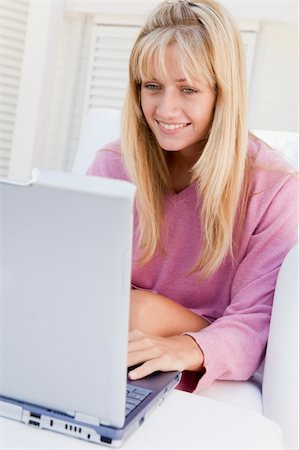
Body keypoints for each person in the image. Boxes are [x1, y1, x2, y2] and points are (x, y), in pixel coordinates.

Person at [87, 0, 298, 392]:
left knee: (141, 311)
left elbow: (255, 319)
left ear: (223, 93)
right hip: (111, 346)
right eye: (152, 86)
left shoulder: (273, 187)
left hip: (194, 353)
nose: (166, 109)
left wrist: (185, 346)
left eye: (188, 89)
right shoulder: (112, 164)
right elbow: (81, 281)